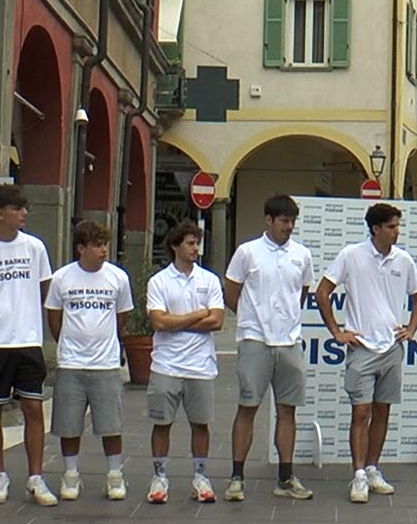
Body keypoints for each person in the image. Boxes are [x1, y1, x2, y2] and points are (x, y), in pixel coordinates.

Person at [317, 203, 417, 504]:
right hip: (362, 348)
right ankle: (359, 475)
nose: (397, 231)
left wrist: (411, 330)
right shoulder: (351, 255)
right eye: (391, 226)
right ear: (375, 228)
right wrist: (336, 331)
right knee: (361, 412)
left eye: (397, 226)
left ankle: (373, 468)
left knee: (382, 412)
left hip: (392, 348)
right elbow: (322, 292)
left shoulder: (403, 260)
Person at [224, 194, 316, 501]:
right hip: (255, 341)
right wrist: (253, 320)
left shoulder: (302, 255)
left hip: (290, 341)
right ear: (268, 220)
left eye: (292, 222)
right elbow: (231, 294)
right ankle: (237, 477)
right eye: (283, 221)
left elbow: (301, 293)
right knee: (247, 407)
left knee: (287, 411)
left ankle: (285, 477)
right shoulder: (247, 252)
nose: (289, 227)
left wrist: (285, 322)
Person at [0, 183, 57, 506]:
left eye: (25, 208)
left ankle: (35, 476)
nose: (24, 214)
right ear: (1, 213)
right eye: (18, 209)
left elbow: (44, 288)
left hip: (27, 339)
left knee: (33, 407)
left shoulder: (35, 247)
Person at [46, 219, 134, 502]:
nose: (104, 250)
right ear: (81, 248)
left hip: (105, 364)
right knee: (68, 424)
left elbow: (122, 316)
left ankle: (114, 475)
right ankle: (71, 475)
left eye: (105, 244)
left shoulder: (118, 278)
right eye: (97, 245)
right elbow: (54, 318)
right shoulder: (62, 278)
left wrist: (109, 343)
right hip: (71, 363)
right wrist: (69, 345)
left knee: (111, 424)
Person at [145, 220, 225, 504]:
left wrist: (176, 322)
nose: (195, 249)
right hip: (166, 364)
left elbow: (216, 321)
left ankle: (201, 476)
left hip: (200, 365)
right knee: (162, 423)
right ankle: (160, 476)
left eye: (197, 243)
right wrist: (196, 315)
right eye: (190, 243)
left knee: (200, 423)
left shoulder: (209, 280)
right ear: (175, 245)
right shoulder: (159, 282)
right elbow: (158, 322)